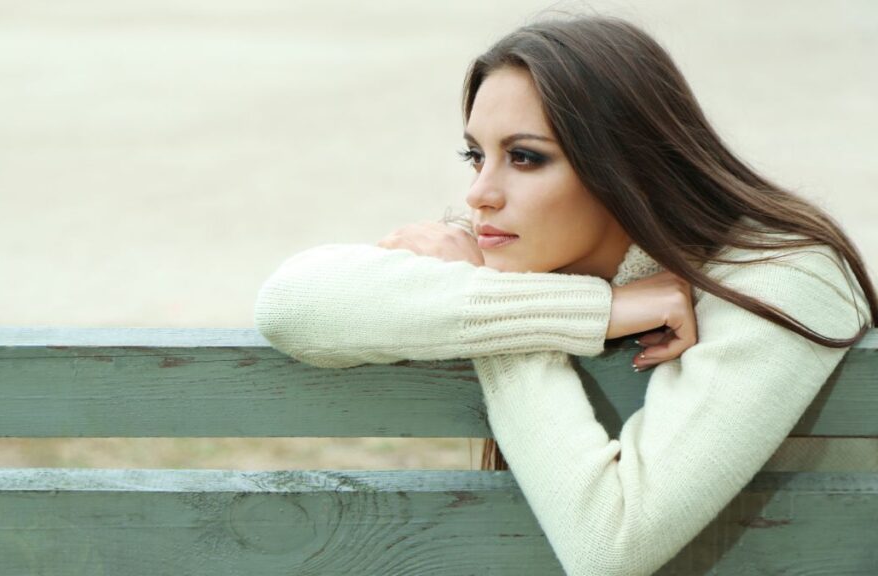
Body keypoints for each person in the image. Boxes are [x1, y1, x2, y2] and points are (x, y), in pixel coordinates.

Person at [253, 14, 876, 576]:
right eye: (476, 155)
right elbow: (292, 303)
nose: (480, 193)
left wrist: (501, 303)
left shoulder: (783, 275)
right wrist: (594, 310)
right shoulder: (528, 246)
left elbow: (611, 547)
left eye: (525, 157)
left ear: (623, 164)